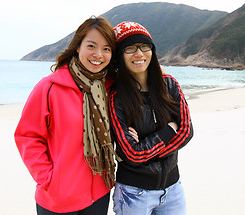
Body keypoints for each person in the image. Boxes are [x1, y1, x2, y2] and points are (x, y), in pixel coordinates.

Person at [14, 16, 117, 215]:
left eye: (106, 48)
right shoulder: (49, 87)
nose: (98, 54)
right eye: (91, 46)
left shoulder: (111, 88)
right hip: (58, 198)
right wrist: (48, 179)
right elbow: (27, 136)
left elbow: (142, 78)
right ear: (77, 47)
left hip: (99, 193)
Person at [109, 21, 193, 215]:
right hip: (134, 192)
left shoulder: (169, 85)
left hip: (173, 188)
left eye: (144, 46)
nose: (139, 53)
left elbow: (187, 131)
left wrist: (145, 146)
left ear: (152, 51)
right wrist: (170, 130)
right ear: (119, 56)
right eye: (130, 48)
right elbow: (132, 154)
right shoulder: (117, 97)